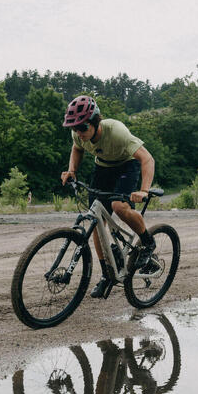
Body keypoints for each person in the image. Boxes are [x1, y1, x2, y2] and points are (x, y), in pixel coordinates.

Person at [60, 95, 157, 298]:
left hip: (126, 166)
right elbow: (77, 149)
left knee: (119, 207)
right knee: (95, 221)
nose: (78, 132)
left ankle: (148, 242)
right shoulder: (78, 134)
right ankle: (107, 275)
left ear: (95, 122)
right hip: (103, 168)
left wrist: (144, 190)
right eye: (74, 128)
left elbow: (147, 159)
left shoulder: (117, 132)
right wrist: (72, 170)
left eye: (83, 127)